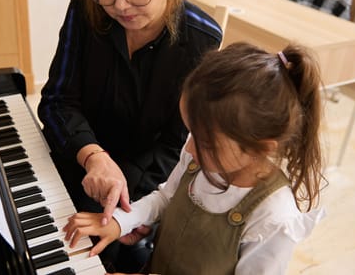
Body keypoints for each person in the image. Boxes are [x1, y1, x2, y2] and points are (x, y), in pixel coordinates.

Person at [38, 0, 222, 271]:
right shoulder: (85, 4)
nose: (120, 5)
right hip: (77, 159)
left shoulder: (200, 40)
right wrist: (94, 157)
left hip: (142, 185)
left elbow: (176, 147)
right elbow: (57, 100)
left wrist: (125, 199)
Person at [63, 42, 327, 275]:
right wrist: (120, 223)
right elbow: (166, 197)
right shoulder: (198, 158)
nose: (189, 148)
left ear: (259, 148)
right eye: (191, 132)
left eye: (206, 143)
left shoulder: (273, 218)